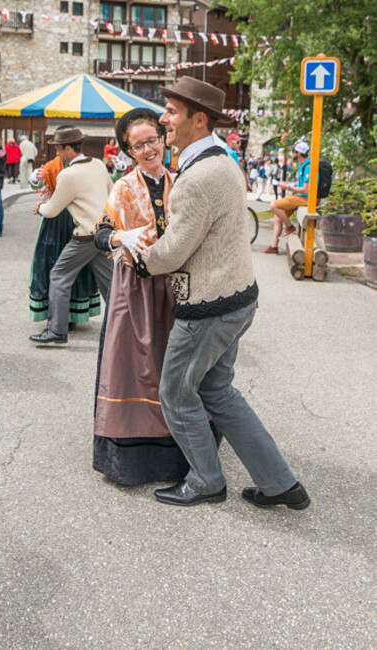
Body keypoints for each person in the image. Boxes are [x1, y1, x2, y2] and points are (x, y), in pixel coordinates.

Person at [132, 76, 309, 509]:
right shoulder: (223, 160)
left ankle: (207, 481)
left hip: (208, 307)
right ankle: (280, 483)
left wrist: (139, 256)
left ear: (199, 119)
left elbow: (172, 252)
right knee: (218, 392)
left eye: (172, 112)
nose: (163, 118)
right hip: (237, 298)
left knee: (176, 393)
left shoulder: (197, 176)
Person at [92, 107, 189, 485]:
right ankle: (134, 461)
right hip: (135, 288)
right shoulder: (122, 187)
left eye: (153, 140)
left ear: (163, 140)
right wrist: (121, 237)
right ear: (128, 152)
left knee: (174, 367)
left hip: (176, 287)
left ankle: (181, 455)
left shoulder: (181, 181)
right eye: (138, 145)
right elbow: (100, 232)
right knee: (133, 368)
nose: (148, 149)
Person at [29, 128, 113, 345]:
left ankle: (56, 331)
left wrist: (40, 208)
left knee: (58, 276)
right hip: (103, 232)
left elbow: (53, 209)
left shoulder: (68, 175)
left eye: (58, 148)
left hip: (84, 236)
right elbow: (112, 193)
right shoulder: (99, 165)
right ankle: (125, 326)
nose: (57, 153)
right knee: (111, 284)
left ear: (68, 148)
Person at [262, 141, 313, 254]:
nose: (292, 153)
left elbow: (306, 190)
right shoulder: (304, 165)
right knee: (278, 218)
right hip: (300, 196)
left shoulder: (308, 167)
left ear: (298, 153)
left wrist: (288, 187)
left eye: (293, 151)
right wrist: (288, 183)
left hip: (304, 198)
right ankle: (273, 247)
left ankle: (290, 226)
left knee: (274, 205)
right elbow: (301, 184)